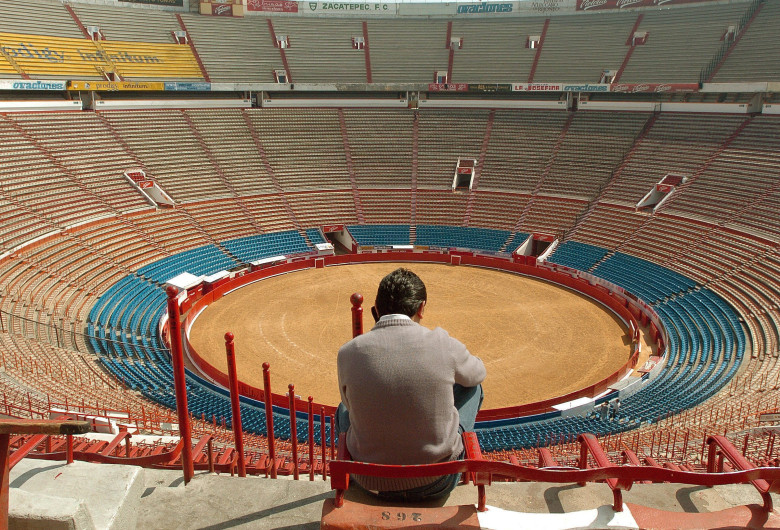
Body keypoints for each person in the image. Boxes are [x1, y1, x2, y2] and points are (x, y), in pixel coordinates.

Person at [336, 267, 486, 501]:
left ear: (376, 310)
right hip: (437, 481)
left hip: (368, 481)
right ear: (421, 308)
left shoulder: (347, 352)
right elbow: (477, 374)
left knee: (343, 407)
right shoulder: (442, 342)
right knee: (473, 387)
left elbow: (349, 404)